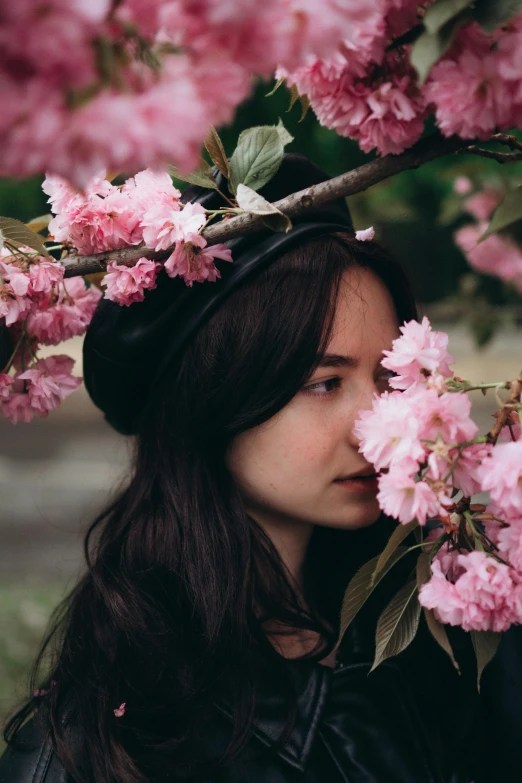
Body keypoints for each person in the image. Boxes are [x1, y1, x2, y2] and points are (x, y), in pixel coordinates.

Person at [0, 154, 502, 783]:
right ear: (216, 396)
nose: (380, 429)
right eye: (324, 383)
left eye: (388, 379)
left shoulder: (444, 622)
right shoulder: (107, 746)